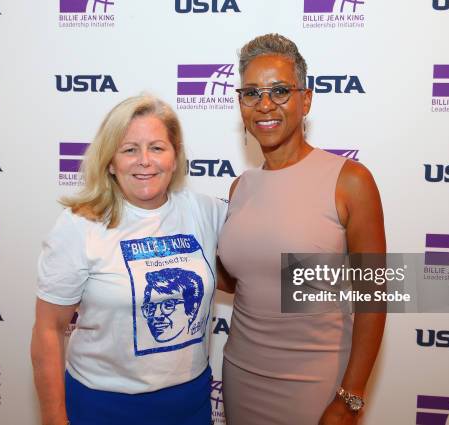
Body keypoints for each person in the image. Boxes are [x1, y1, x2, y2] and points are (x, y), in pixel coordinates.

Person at [218, 34, 387, 425]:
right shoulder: (240, 186)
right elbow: (236, 278)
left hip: (317, 382)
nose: (264, 105)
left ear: (305, 100)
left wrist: (350, 398)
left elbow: (374, 297)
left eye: (279, 91)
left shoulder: (349, 181)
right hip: (241, 374)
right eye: (251, 93)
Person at [30, 95, 226, 425]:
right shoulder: (79, 225)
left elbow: (268, 255)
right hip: (102, 407)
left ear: (175, 157)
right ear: (110, 162)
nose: (144, 161)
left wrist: (335, 291)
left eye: (157, 148)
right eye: (130, 149)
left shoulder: (205, 211)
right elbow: (49, 330)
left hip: (189, 404)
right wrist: (53, 418)